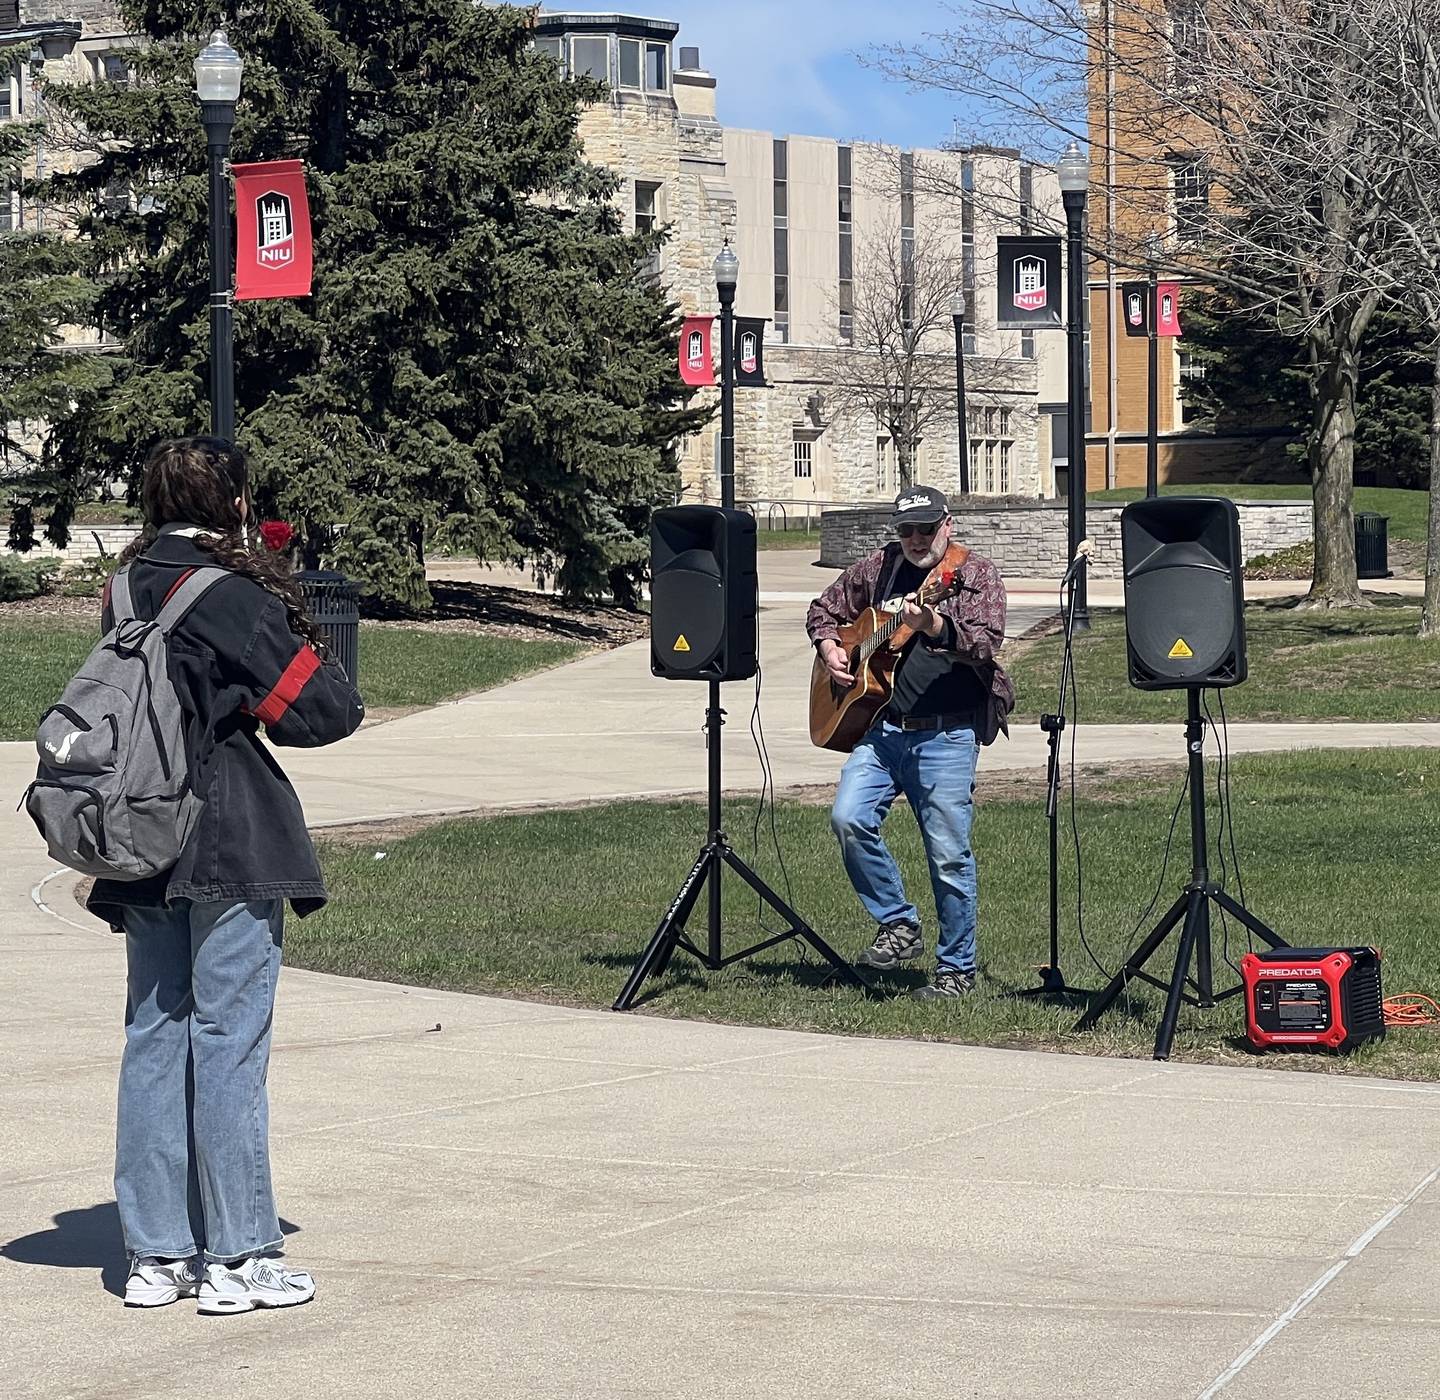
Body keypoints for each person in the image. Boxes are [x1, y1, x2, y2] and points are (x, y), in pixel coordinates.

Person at [87, 437, 364, 1313]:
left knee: (153, 1036)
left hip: (138, 836)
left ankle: (156, 1256)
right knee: (230, 1042)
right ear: (235, 506)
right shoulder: (231, 592)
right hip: (230, 835)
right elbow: (324, 711)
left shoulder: (126, 586)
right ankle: (240, 1256)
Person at [806, 485, 1014, 999]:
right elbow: (823, 608)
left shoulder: (973, 574)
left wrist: (937, 625)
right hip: (882, 729)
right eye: (906, 530)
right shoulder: (879, 567)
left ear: (948, 524)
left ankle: (956, 972)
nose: (917, 539)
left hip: (947, 732)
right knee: (848, 818)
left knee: (947, 854)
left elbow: (987, 641)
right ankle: (899, 924)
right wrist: (832, 645)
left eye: (926, 528)